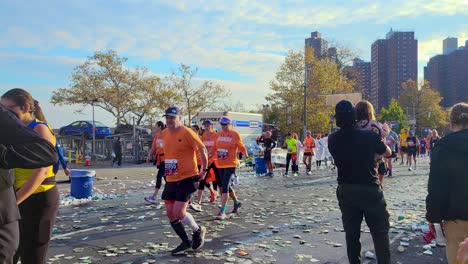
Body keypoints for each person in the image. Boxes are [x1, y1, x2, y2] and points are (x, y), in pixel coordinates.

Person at [328, 100, 392, 264]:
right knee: (379, 232)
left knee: (352, 234)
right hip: (369, 188)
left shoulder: (332, 139)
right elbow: (387, 153)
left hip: (346, 189)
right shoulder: (369, 136)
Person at [1, 89, 60, 264]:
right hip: (16, 195)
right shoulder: (12, 131)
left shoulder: (39, 129)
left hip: (38, 196)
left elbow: (41, 172)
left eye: (9, 109)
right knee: (14, 250)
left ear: (25, 107)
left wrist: (15, 200)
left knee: (33, 254)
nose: (5, 114)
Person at [160, 106, 208, 255]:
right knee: (170, 212)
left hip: (188, 177)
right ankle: (185, 242)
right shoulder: (164, 133)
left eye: (172, 118)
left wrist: (204, 170)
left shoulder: (187, 132)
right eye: (167, 117)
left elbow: (203, 149)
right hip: (171, 177)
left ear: (180, 118)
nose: (169, 120)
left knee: (179, 212)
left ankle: (197, 230)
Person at [426, 103, 468, 264]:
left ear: (451, 123)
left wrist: (433, 217)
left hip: (456, 218)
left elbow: (437, 187)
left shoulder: (443, 147)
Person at [214, 116, 248, 220]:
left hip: (230, 164)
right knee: (226, 186)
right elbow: (215, 147)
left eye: (226, 124)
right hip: (220, 164)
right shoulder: (218, 134)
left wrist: (245, 155)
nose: (224, 126)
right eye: (222, 124)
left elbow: (241, 146)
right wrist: (208, 154)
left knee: (224, 186)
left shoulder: (235, 134)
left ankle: (222, 211)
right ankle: (236, 202)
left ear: (230, 124)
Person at [355, 100, 389, 184]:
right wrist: (386, 129)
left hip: (359, 158)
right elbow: (383, 134)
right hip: (376, 157)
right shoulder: (375, 124)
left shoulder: (354, 125)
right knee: (377, 182)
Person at [189, 124, 217, 212]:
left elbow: (203, 150)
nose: (191, 132)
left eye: (193, 130)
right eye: (191, 130)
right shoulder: (190, 139)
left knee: (201, 181)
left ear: (197, 131)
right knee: (198, 181)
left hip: (202, 163)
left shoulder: (200, 138)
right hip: (194, 162)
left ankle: (199, 202)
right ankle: (212, 192)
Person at [145, 121, 166, 204]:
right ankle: (173, 194)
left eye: (156, 126)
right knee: (166, 178)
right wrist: (149, 155)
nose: (155, 127)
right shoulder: (157, 136)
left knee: (159, 176)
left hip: (167, 159)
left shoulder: (167, 134)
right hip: (160, 159)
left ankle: (154, 196)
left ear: (160, 126)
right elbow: (153, 148)